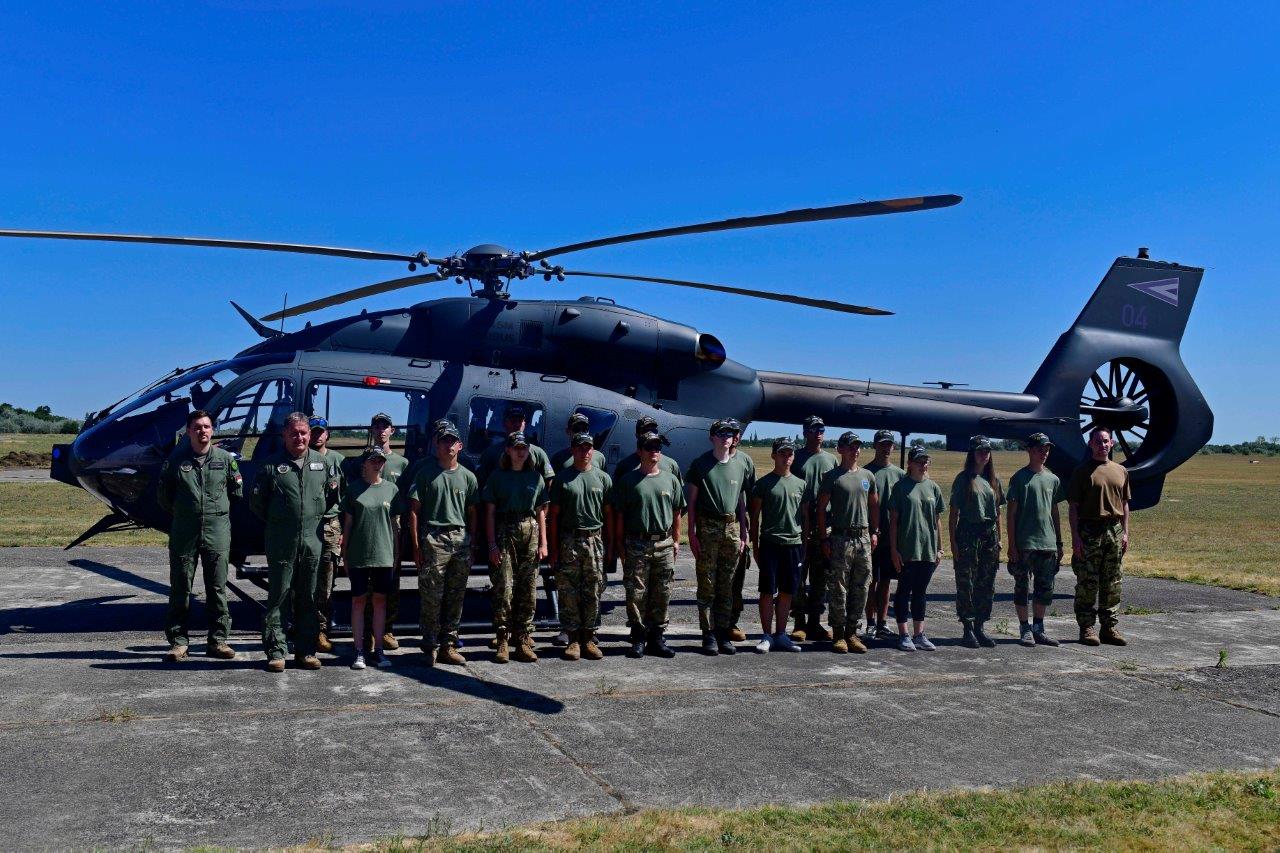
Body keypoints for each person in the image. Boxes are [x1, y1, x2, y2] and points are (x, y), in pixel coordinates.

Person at [250, 412, 340, 672]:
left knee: (309, 598)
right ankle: (277, 651)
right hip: (282, 542)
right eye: (293, 433)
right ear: (284, 435)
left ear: (310, 435)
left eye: (303, 433)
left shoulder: (322, 465)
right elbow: (258, 504)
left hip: (313, 542)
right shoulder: (269, 467)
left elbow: (332, 499)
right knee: (279, 597)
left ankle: (306, 651)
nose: (299, 437)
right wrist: (282, 522)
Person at [158, 409, 243, 662]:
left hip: (217, 531)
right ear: (188, 432)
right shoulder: (176, 461)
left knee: (217, 587)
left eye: (206, 427)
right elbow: (164, 498)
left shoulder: (226, 460)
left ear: (212, 430)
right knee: (181, 587)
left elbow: (236, 493)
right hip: (185, 532)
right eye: (197, 427)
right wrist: (187, 514)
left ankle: (218, 640)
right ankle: (178, 642)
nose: (202, 431)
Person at [408, 421, 479, 666]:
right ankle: (430, 646)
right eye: (444, 441)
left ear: (459, 445)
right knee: (431, 595)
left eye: (452, 441)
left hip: (460, 539)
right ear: (436, 445)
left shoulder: (468, 477)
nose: (448, 445)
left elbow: (472, 513)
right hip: (433, 538)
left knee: (455, 595)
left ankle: (449, 644)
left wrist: (473, 544)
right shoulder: (425, 474)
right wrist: (416, 546)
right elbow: (414, 511)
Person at [611, 431, 685, 658]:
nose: (655, 450)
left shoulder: (670, 479)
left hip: (663, 542)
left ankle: (657, 637)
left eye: (657, 447)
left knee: (662, 592)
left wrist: (676, 540)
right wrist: (621, 548)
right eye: (650, 446)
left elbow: (677, 512)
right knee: (637, 593)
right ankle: (639, 636)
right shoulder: (628, 481)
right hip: (637, 544)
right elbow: (619, 517)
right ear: (639, 451)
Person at [341, 412, 410, 652]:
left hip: (391, 524)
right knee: (365, 589)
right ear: (371, 430)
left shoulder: (402, 463)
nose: (381, 430)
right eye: (377, 426)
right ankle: (368, 632)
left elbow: (404, 500)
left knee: (390, 582)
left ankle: (387, 628)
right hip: (366, 526)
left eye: (386, 426)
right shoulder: (363, 460)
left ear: (393, 430)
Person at [687, 418, 755, 655]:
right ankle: (708, 634)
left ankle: (723, 632)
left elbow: (741, 501)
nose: (726, 437)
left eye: (729, 433)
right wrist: (691, 533)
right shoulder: (700, 464)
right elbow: (692, 502)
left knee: (727, 585)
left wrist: (744, 533)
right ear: (712, 437)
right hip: (708, 527)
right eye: (721, 433)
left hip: (732, 528)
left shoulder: (741, 464)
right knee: (707, 584)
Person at [482, 432, 550, 663]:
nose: (521, 451)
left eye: (524, 447)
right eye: (516, 447)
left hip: (530, 530)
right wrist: (491, 544)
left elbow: (541, 511)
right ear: (508, 451)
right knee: (504, 587)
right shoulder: (497, 477)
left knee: (528, 588)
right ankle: (502, 639)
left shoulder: (536, 478)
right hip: (505, 530)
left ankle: (522, 639)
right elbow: (489, 513)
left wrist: (544, 542)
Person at [548, 432, 614, 661]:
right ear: (573, 450)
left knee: (593, 589)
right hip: (569, 540)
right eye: (580, 447)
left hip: (595, 540)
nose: (585, 452)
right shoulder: (562, 479)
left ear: (593, 451)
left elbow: (608, 516)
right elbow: (553, 517)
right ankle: (573, 639)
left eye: (589, 448)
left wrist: (610, 546)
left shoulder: (603, 478)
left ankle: (588, 637)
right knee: (568, 590)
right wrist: (554, 549)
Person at [814, 432, 879, 653]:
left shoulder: (868, 476)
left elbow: (874, 505)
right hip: (841, 538)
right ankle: (839, 634)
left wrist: (874, 531)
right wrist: (824, 537)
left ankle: (853, 632)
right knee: (839, 588)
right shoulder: (832, 476)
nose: (855, 451)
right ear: (840, 450)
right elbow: (821, 509)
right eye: (851, 447)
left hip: (863, 537)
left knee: (861, 586)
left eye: (858, 447)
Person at [1068, 427, 1132, 647]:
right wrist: (1076, 537)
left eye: (1105, 441)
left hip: (1113, 529)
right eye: (1098, 442)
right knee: (1087, 581)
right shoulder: (1081, 472)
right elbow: (1074, 507)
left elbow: (1125, 504)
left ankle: (1109, 628)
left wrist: (1125, 533)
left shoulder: (1121, 471)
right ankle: (1086, 627)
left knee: (1112, 581)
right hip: (1089, 530)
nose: (1102, 445)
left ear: (1111, 443)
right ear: (1090, 444)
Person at [1006, 433, 1066, 647]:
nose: (1044, 453)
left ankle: (1039, 627)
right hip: (1024, 544)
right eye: (1040, 449)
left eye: (1047, 449)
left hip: (1047, 543)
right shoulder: (1019, 479)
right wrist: (1012, 545)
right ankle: (1024, 628)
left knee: (1044, 588)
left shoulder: (1053, 479)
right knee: (1022, 587)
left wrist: (1059, 543)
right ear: (1029, 450)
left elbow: (1055, 512)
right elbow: (1011, 514)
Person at [748, 437, 805, 653]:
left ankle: (781, 634)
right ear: (774, 455)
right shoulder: (763, 484)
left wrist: (804, 545)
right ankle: (766, 634)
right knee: (767, 591)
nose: (786, 457)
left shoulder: (801, 485)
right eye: (782, 453)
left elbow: (805, 517)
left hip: (793, 544)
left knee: (787, 591)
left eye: (789, 453)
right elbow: (755, 518)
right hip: (770, 544)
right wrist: (755, 546)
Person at [949, 435, 1005, 649]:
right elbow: (954, 513)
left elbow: (998, 512)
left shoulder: (994, 480)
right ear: (972, 453)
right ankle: (967, 627)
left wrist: (999, 539)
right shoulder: (963, 479)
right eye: (980, 450)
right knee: (967, 582)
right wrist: (953, 543)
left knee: (986, 582)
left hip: (989, 535)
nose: (984, 454)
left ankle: (980, 626)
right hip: (968, 534)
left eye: (987, 451)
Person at [888, 445, 946, 651]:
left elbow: (937, 519)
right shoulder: (901, 487)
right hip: (907, 550)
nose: (923, 465)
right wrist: (894, 550)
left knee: (921, 593)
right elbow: (893, 522)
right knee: (904, 591)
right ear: (910, 464)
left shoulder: (933, 488)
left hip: (928, 550)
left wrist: (940, 547)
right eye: (919, 461)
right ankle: (903, 634)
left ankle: (919, 634)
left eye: (925, 461)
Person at [791, 415, 837, 642]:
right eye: (813, 429)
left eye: (821, 428)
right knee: (799, 575)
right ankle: (799, 622)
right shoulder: (796, 457)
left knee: (821, 577)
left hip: (824, 525)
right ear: (804, 432)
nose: (818, 433)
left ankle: (815, 622)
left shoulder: (831, 460)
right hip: (800, 523)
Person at [308, 416, 346, 654]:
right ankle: (303, 626)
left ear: (327, 434)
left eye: (321, 432)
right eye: (314, 431)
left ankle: (321, 630)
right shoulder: (302, 458)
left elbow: (346, 498)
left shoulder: (338, 460)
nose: (317, 435)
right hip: (307, 525)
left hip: (330, 525)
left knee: (326, 583)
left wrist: (342, 529)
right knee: (303, 580)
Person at [863, 429, 905, 642]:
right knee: (871, 581)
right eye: (882, 444)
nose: (886, 448)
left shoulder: (899, 474)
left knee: (886, 581)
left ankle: (882, 622)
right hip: (871, 536)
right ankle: (869, 622)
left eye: (889, 444)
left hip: (891, 536)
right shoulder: (866, 472)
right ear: (875, 446)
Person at [477, 404, 555, 486]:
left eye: (520, 421)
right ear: (504, 423)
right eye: (513, 421)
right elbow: (482, 482)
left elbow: (549, 480)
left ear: (524, 423)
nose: (517, 424)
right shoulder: (491, 452)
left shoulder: (538, 453)